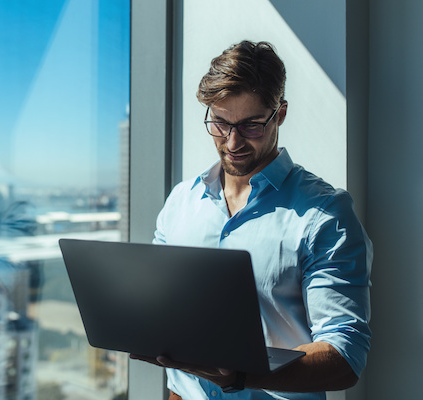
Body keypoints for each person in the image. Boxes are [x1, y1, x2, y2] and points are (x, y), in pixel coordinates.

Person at [130, 40, 372, 400]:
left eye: (251, 126)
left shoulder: (324, 214)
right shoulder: (182, 201)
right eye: (219, 123)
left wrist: (241, 374)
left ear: (281, 113)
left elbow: (344, 354)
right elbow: (162, 309)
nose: (231, 142)